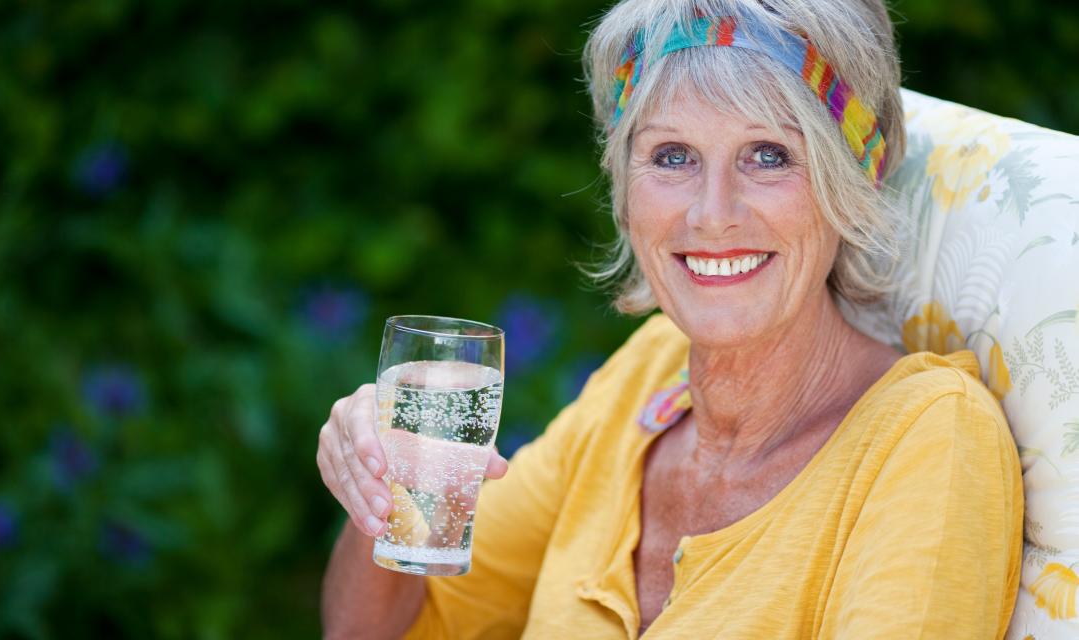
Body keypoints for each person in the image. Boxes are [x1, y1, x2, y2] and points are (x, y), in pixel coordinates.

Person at [316, 0, 1023, 637]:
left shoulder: (930, 435)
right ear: (624, 189)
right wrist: (384, 487)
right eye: (673, 155)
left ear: (856, 179)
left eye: (768, 155)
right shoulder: (648, 372)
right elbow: (385, 628)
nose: (712, 215)